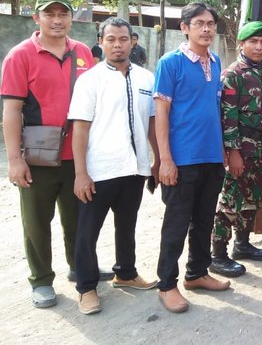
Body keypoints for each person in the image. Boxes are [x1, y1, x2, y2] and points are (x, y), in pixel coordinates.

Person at [1, 0, 102, 308]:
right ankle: (42, 280)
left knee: (78, 218)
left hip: (79, 157)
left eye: (63, 14)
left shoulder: (84, 52)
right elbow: (12, 111)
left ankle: (79, 267)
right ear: (37, 18)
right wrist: (14, 160)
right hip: (38, 157)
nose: (57, 20)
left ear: (72, 18)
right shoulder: (20, 55)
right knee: (36, 222)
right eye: (50, 14)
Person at [69, 17, 159, 315]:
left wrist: (157, 159)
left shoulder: (146, 78)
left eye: (123, 39)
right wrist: (81, 174)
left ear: (133, 40)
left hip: (134, 170)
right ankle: (86, 288)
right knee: (87, 232)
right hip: (99, 170)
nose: (117, 44)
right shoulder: (89, 80)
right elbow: (80, 129)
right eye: (111, 39)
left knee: (127, 225)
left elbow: (151, 123)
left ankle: (126, 272)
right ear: (101, 41)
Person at [153, 2, 229, 313]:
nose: (206, 28)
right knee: (176, 223)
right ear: (185, 27)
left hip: (211, 158)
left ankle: (197, 273)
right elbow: (161, 114)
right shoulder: (170, 63)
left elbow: (214, 110)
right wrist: (165, 159)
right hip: (182, 160)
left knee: (203, 222)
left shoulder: (216, 60)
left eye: (210, 23)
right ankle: (166, 284)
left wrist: (222, 151)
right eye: (199, 23)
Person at [211, 21, 262, 278]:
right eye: (253, 42)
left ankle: (242, 244)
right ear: (242, 44)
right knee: (230, 199)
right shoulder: (233, 75)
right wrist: (233, 152)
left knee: (253, 197)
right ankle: (217, 255)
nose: (259, 46)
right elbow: (227, 117)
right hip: (241, 146)